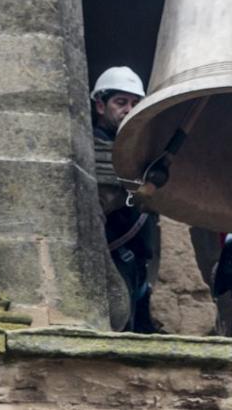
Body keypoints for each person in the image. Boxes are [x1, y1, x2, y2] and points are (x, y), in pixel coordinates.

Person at [90, 66, 157, 332]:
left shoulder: (144, 153)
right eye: (120, 102)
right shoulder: (93, 145)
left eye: (135, 103)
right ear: (100, 105)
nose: (129, 109)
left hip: (137, 266)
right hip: (115, 258)